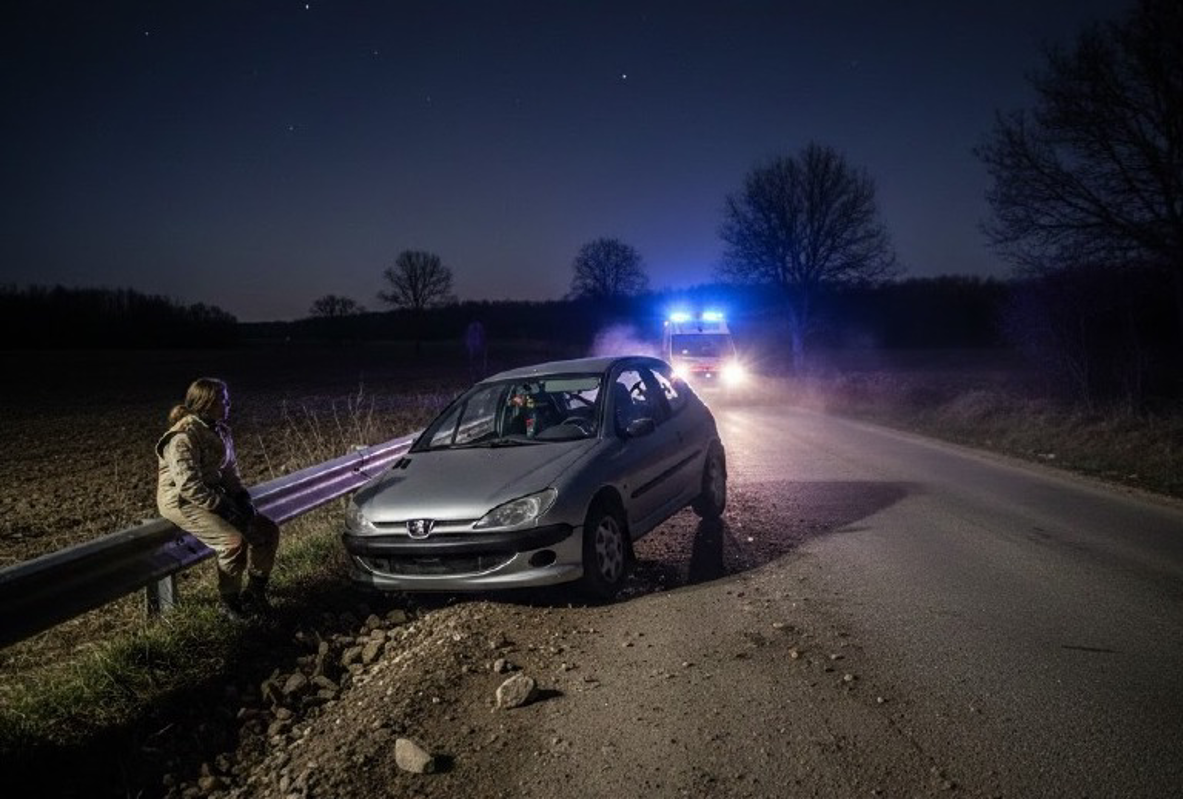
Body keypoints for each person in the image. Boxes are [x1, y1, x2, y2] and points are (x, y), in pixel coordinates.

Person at [156, 378, 280, 622]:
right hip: (181, 499)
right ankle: (229, 603)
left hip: (211, 494)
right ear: (206, 403)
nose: (228, 404)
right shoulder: (182, 437)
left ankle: (254, 593)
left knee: (267, 532)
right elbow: (189, 486)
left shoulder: (220, 431)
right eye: (223, 400)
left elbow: (229, 472)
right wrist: (223, 508)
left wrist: (240, 497)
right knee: (232, 542)